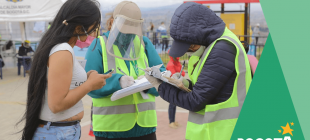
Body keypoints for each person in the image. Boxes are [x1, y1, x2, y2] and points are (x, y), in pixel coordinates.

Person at [145, 2, 252, 140]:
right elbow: (207, 88)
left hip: (224, 133)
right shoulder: (212, 46)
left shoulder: (222, 49)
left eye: (190, 47)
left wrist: (161, 86)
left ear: (201, 35)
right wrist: (182, 83)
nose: (189, 52)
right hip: (214, 132)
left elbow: (195, 101)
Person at [17, 0, 112, 139]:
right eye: (94, 26)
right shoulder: (63, 50)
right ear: (79, 27)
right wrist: (89, 85)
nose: (95, 33)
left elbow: (61, 84)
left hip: (58, 131)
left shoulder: (59, 48)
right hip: (57, 133)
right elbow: (57, 104)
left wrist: (86, 78)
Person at [84, 1, 166, 140]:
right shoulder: (99, 45)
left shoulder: (144, 43)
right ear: (112, 22)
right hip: (110, 130)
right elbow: (89, 84)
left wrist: (147, 83)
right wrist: (118, 82)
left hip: (145, 127)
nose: (128, 34)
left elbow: (162, 78)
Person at [166, 49, 185, 129]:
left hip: (177, 85)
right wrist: (179, 75)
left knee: (174, 104)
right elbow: (174, 76)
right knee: (172, 104)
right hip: (172, 86)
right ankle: (171, 122)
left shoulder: (177, 63)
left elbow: (182, 73)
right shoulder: (171, 64)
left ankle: (173, 121)